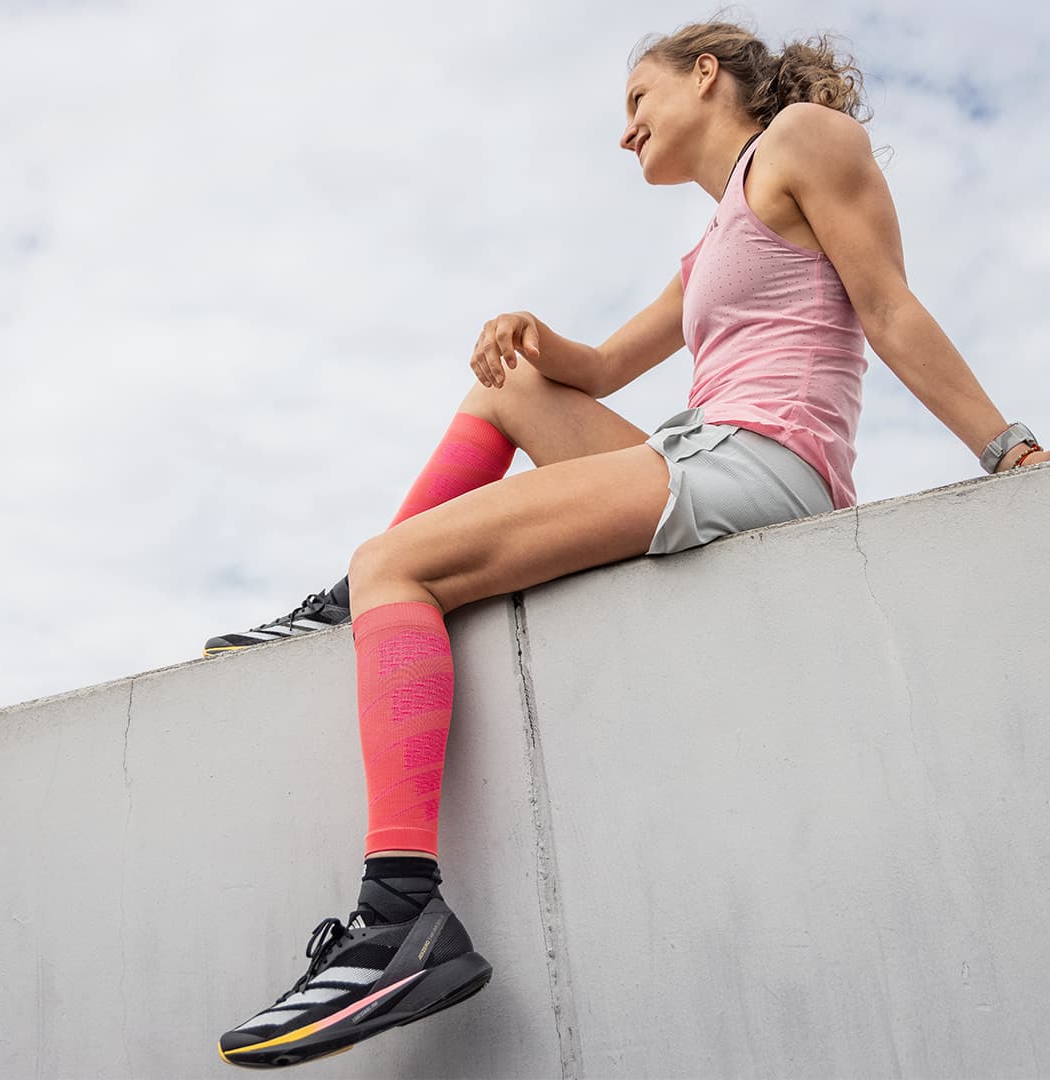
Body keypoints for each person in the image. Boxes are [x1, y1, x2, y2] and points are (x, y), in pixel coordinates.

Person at [215, 21, 1047, 1069]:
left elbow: (886, 304)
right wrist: (528, 332)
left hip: (757, 460)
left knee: (400, 564)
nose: (626, 131)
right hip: (707, 448)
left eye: (636, 100)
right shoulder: (718, 232)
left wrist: (1008, 448)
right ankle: (352, 606)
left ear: (707, 74)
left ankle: (401, 917)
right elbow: (602, 367)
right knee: (503, 389)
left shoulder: (805, 137)